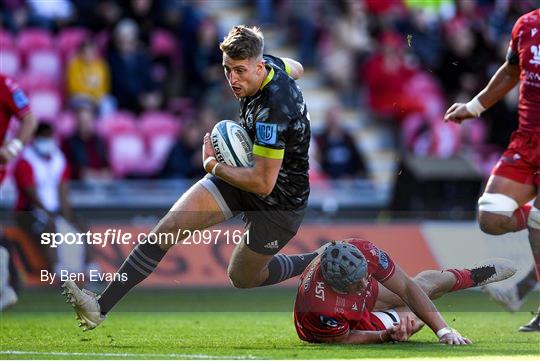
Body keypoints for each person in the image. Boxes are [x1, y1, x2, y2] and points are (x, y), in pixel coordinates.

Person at [63, 25, 315, 331]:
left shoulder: (273, 110)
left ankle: (315, 260)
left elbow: (264, 184)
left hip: (280, 201)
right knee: (167, 228)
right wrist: (285, 71)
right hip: (246, 174)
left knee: (242, 277)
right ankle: (99, 307)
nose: (233, 79)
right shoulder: (268, 65)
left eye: (240, 71)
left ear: (258, 66)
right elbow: (297, 68)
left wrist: (212, 166)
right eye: (227, 70)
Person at [444, 9, 540, 332]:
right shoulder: (526, 25)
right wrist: (473, 108)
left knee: (539, 226)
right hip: (526, 142)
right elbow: (511, 71)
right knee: (491, 216)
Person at [294, 240, 516, 344]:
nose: (365, 283)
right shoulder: (319, 309)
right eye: (356, 283)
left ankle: (472, 276)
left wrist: (444, 331)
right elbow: (345, 338)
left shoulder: (365, 250)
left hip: (348, 302)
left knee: (421, 287)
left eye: (365, 274)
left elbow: (408, 287)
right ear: (338, 285)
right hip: (339, 327)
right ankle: (408, 322)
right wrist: (384, 336)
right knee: (410, 320)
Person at [0, 73, 38, 311]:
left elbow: (29, 118)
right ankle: (5, 286)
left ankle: (5, 287)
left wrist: (13, 146)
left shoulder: (4, 83)